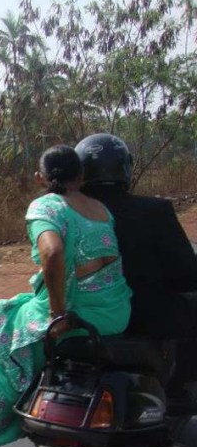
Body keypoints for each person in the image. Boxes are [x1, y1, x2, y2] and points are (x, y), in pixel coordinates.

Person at [0, 145, 132, 447]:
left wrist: (58, 316)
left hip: (76, 319)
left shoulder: (46, 207)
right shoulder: (101, 210)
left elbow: (52, 251)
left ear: (40, 178)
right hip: (115, 314)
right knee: (19, 306)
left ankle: (1, 423)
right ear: (81, 176)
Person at [75, 133, 197, 339]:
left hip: (85, 320)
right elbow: (187, 277)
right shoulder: (156, 210)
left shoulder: (64, 214)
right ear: (125, 167)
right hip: (149, 319)